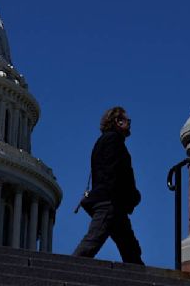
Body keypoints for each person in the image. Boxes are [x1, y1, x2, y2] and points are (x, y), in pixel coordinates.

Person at [72, 106, 144, 264]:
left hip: (114, 204)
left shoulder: (105, 141)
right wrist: (132, 196)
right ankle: (64, 272)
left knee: (130, 248)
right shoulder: (112, 140)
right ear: (118, 121)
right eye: (127, 121)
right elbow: (114, 173)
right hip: (110, 202)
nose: (129, 124)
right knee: (91, 244)